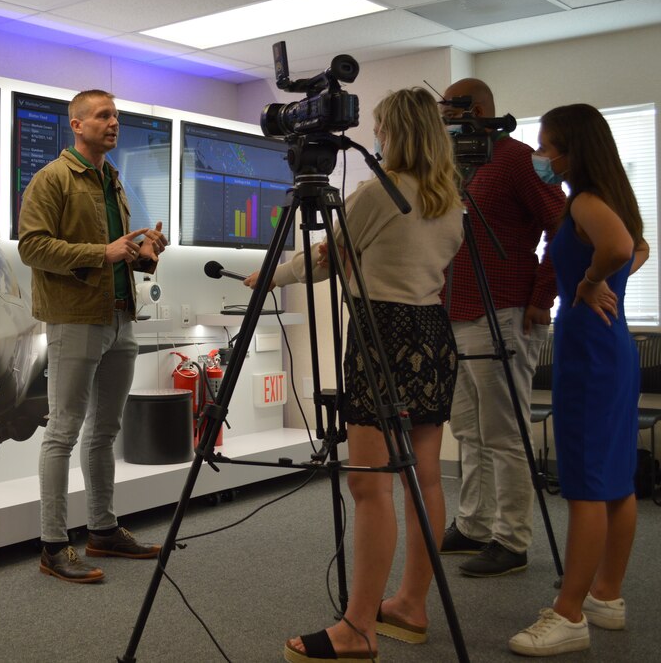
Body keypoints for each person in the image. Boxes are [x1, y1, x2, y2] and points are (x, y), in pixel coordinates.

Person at [245, 88, 463, 661]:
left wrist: (272, 275)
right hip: (432, 338)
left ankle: (358, 628)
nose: (377, 138)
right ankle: (410, 606)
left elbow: (328, 257)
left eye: (383, 129)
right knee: (427, 479)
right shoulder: (449, 199)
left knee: (370, 486)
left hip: (383, 337)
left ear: (397, 133)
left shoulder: (376, 194)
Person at [509, 104, 648, 656]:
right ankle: (605, 598)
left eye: (548, 147)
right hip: (607, 346)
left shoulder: (588, 200)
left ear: (574, 150)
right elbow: (637, 246)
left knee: (588, 484)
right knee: (615, 478)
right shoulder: (607, 198)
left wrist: (592, 281)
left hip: (591, 348)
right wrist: (606, 277)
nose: (541, 157)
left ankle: (569, 615)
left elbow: (618, 249)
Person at [18, 89, 169, 584]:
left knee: (104, 431)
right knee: (63, 431)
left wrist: (145, 253)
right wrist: (101, 253)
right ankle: (53, 544)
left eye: (116, 116)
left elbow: (117, 253)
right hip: (75, 319)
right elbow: (33, 247)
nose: (113, 123)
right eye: (103, 116)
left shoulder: (113, 181)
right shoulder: (52, 178)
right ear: (76, 124)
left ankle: (102, 529)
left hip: (121, 316)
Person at [439, 78, 566, 577]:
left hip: (506, 312)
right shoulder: (452, 165)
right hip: (455, 313)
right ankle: (474, 524)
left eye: (449, 109)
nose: (443, 119)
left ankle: (512, 540)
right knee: (468, 429)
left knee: (503, 432)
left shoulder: (516, 159)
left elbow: (564, 223)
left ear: (475, 110)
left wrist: (544, 295)